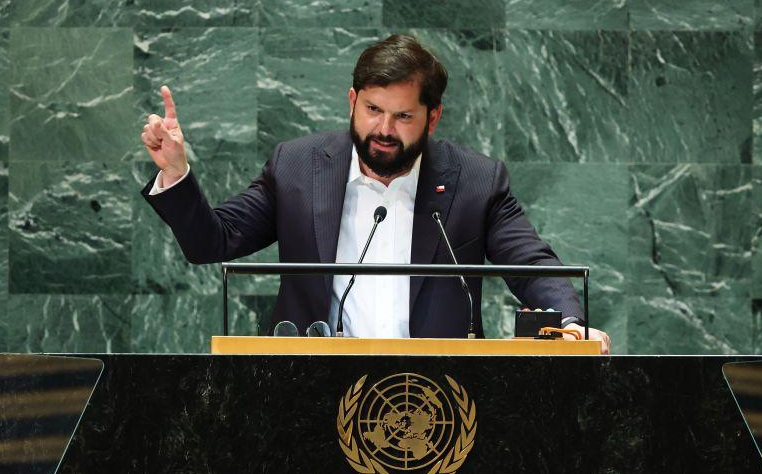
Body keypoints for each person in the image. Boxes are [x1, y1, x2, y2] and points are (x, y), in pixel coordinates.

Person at [140, 34, 610, 353]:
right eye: (372, 110)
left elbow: (531, 265)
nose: (383, 130)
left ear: (433, 117)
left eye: (403, 116)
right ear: (352, 101)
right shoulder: (298, 167)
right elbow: (213, 241)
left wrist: (569, 324)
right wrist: (179, 172)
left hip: (439, 396)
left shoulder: (476, 180)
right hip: (309, 388)